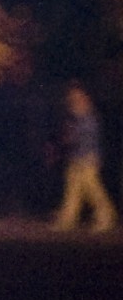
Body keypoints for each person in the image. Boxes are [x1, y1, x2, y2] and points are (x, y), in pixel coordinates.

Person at [52, 84, 116, 231]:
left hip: (87, 157)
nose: (73, 100)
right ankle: (67, 219)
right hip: (76, 156)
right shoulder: (76, 117)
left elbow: (85, 138)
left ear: (86, 99)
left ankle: (106, 216)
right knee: (72, 189)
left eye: (77, 97)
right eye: (71, 97)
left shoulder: (88, 118)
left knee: (92, 188)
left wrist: (70, 136)